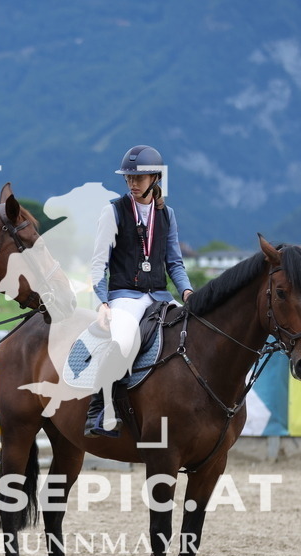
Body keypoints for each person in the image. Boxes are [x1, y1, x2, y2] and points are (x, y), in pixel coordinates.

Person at [85, 144, 194, 438]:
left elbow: (174, 262)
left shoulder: (167, 215)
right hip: (125, 296)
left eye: (139, 178)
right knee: (122, 340)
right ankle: (99, 409)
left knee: (191, 334)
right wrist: (102, 303)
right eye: (129, 178)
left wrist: (186, 292)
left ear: (155, 179)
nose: (133, 183)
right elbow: (98, 265)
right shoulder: (113, 212)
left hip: (160, 296)